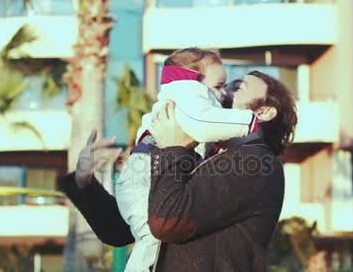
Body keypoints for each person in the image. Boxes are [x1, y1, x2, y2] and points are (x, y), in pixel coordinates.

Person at [61, 70, 297, 272]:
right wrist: (86, 182)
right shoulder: (204, 157)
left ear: (264, 112)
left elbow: (167, 221)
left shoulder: (257, 163)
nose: (221, 93)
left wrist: (173, 149)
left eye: (237, 88)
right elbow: (119, 231)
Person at [115, 48, 258, 271]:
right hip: (143, 179)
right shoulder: (188, 97)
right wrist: (248, 122)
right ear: (193, 80)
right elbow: (204, 121)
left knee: (155, 239)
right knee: (152, 237)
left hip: (144, 176)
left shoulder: (179, 98)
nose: (224, 95)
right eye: (218, 86)